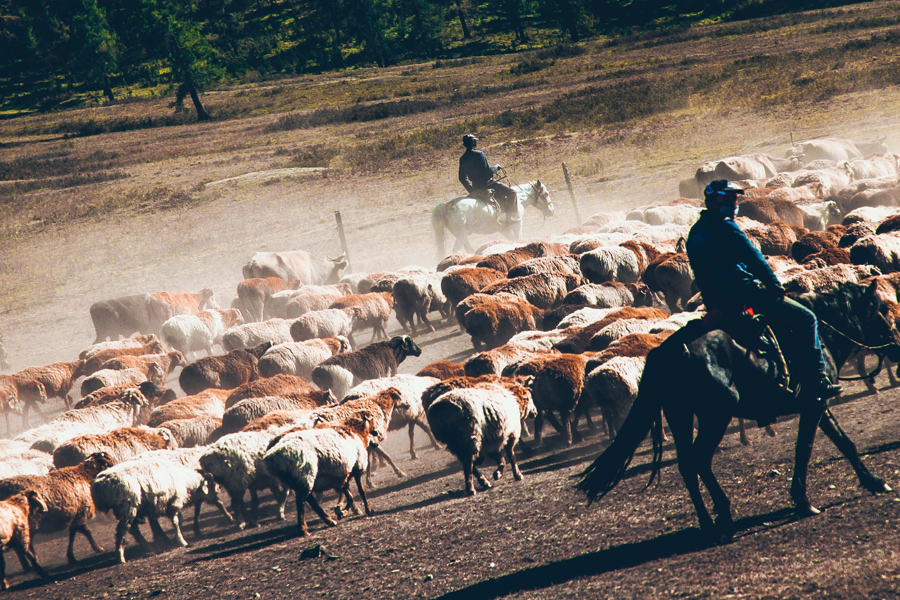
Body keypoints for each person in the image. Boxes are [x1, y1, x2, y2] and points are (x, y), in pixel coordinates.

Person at [685, 179, 842, 403]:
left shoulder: (695, 232)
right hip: (745, 295)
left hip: (715, 303)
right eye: (728, 198)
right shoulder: (725, 226)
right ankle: (817, 379)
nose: (734, 202)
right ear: (712, 200)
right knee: (807, 318)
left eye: (735, 197)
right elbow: (753, 258)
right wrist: (774, 286)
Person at [458, 134, 519, 225]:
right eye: (475, 141)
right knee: (512, 193)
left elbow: (462, 177)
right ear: (473, 142)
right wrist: (496, 168)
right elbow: (487, 171)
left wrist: (471, 190)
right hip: (488, 184)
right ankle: (509, 218)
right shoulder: (479, 154)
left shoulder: (462, 159)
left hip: (476, 186)